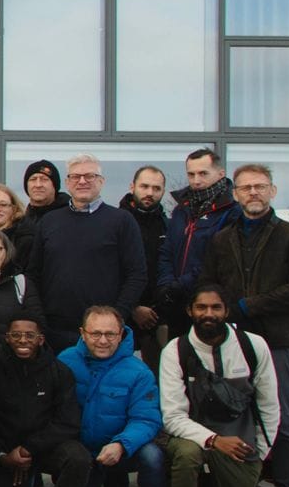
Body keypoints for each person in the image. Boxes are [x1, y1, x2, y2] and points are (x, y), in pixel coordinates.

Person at [198, 162, 289, 487]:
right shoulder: (222, 239)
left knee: (282, 420)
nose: (253, 193)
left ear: (272, 191)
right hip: (231, 340)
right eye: (246, 187)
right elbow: (210, 285)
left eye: (260, 186)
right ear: (235, 194)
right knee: (231, 415)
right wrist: (224, 312)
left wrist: (250, 305)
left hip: (279, 340)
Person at [160, 285, 281, 487]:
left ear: (226, 311)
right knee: (187, 455)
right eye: (201, 307)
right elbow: (172, 417)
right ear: (190, 311)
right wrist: (213, 440)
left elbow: (270, 406)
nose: (208, 314)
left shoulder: (254, 346)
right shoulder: (175, 350)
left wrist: (260, 455)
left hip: (239, 445)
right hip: (193, 438)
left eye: (215, 308)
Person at [59, 305, 171, 487]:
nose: (102, 340)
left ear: (121, 334)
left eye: (110, 334)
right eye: (95, 333)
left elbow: (146, 418)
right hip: (83, 454)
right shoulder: (65, 360)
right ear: (82, 333)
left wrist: (121, 444)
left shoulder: (138, 371)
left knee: (153, 455)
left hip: (121, 451)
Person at [0, 317, 90, 487]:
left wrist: (28, 448)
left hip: (43, 449)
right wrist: (1, 456)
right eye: (16, 335)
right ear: (7, 338)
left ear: (41, 339)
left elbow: (67, 423)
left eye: (30, 335)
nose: (23, 340)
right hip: (7, 455)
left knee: (78, 457)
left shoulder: (59, 371)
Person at [30, 155, 146, 352]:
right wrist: (40, 321)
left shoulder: (121, 221)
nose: (82, 181)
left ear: (101, 181)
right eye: (75, 176)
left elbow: (137, 275)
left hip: (104, 336)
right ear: (67, 183)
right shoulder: (49, 222)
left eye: (89, 176)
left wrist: (115, 320)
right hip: (55, 334)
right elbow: (33, 274)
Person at [160, 147, 236, 339]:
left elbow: (218, 259)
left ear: (220, 174)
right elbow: (167, 250)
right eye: (191, 174)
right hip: (178, 305)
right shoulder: (180, 210)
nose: (196, 180)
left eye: (203, 173)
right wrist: (166, 284)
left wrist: (182, 284)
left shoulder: (232, 211)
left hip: (210, 306)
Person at [120, 165, 171, 348]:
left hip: (159, 317)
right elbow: (108, 271)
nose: (150, 193)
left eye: (157, 188)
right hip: (121, 316)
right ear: (132, 187)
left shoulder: (168, 226)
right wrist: (133, 307)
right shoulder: (116, 222)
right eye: (144, 186)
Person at [16, 159, 64, 253]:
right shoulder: (20, 222)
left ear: (55, 186)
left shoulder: (68, 217)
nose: (38, 185)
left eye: (44, 179)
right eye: (33, 179)